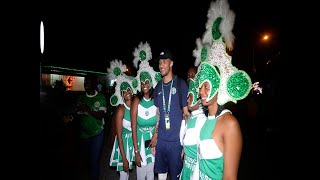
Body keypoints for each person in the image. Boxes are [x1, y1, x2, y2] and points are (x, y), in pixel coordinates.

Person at [192, 0, 252, 179]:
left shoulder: (230, 124)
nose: (201, 91)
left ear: (219, 85)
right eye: (200, 85)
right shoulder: (203, 119)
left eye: (207, 85)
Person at [151, 49, 190, 180]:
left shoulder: (181, 84)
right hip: (161, 141)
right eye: (159, 62)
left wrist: (186, 143)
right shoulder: (157, 87)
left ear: (171, 63)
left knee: (175, 177)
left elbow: (186, 114)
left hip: (176, 143)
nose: (161, 65)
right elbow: (158, 114)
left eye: (164, 62)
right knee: (161, 175)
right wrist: (155, 136)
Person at [64, 74, 107, 180]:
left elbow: (100, 115)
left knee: (94, 160)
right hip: (84, 135)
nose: (85, 84)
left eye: (88, 82)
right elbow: (78, 113)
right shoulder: (81, 98)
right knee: (85, 161)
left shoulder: (100, 97)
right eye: (84, 82)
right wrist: (71, 117)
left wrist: (87, 108)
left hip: (97, 133)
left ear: (94, 84)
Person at [130, 42, 162, 180]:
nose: (145, 85)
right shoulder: (136, 101)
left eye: (147, 81)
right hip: (140, 144)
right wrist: (136, 152)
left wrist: (155, 135)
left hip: (153, 142)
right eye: (142, 82)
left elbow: (159, 120)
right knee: (141, 175)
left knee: (151, 174)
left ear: (151, 82)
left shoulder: (156, 100)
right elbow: (133, 126)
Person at [108, 59, 137, 180]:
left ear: (131, 89)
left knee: (129, 175)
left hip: (133, 143)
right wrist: (124, 158)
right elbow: (118, 136)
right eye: (124, 91)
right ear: (121, 94)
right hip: (123, 145)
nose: (127, 93)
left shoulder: (136, 106)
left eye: (128, 89)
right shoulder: (121, 110)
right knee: (123, 175)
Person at [180, 77, 207, 180]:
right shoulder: (192, 117)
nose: (187, 100)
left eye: (190, 97)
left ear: (198, 99)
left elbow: (202, 155)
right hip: (186, 168)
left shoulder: (201, 120)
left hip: (194, 172)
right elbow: (182, 140)